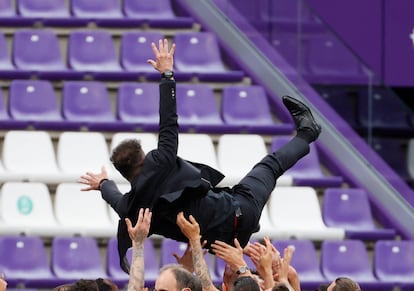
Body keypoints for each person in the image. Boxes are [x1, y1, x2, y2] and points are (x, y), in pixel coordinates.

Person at [79, 38, 322, 273]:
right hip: (240, 210)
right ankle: (308, 132)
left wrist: (103, 184)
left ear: (125, 173)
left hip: (221, 245)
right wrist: (166, 76)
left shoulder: (133, 208)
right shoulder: (160, 162)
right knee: (270, 166)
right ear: (144, 158)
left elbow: (117, 201)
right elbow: (168, 123)